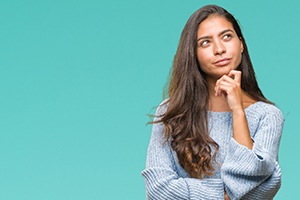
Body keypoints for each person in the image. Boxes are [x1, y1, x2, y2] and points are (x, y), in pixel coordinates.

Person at [141, 4, 284, 200]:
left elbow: (256, 181)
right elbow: (158, 190)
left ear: (241, 44)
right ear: (194, 54)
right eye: (205, 42)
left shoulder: (267, 116)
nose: (219, 49)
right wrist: (225, 195)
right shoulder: (170, 111)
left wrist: (237, 111)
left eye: (227, 36)